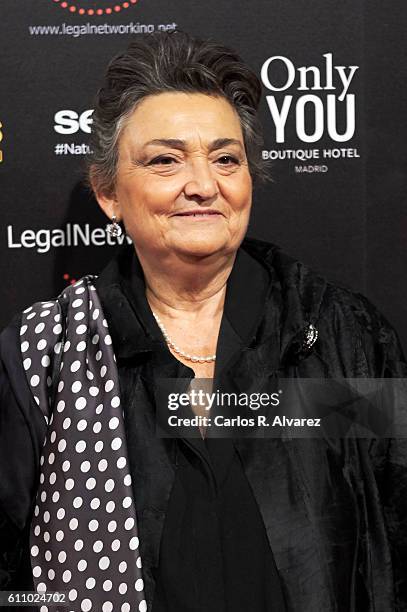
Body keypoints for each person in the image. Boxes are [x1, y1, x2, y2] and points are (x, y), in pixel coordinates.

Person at [0, 30, 406, 612]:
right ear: (108, 193)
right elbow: (11, 576)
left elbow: (393, 525)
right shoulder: (43, 356)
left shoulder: (340, 334)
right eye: (165, 160)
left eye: (225, 158)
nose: (203, 185)